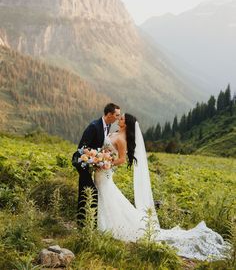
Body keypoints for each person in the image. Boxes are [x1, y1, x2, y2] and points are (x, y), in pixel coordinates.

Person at [94, 113, 229, 260]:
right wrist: (99, 156)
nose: (119, 119)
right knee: (107, 195)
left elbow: (121, 159)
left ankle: (105, 224)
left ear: (127, 124)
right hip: (101, 168)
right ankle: (101, 221)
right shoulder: (114, 133)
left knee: (107, 194)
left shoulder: (122, 140)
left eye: (122, 119)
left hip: (105, 170)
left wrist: (105, 163)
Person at [74, 103, 120, 226]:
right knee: (90, 191)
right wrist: (95, 157)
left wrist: (102, 157)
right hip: (82, 163)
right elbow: (82, 147)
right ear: (109, 114)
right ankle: (87, 224)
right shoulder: (94, 126)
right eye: (117, 115)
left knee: (86, 191)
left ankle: (83, 222)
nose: (118, 117)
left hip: (92, 164)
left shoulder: (108, 125)